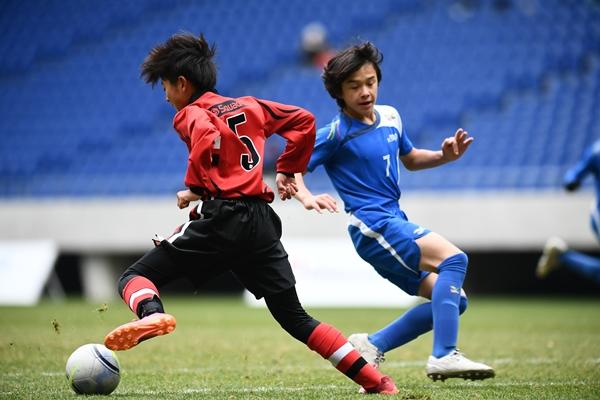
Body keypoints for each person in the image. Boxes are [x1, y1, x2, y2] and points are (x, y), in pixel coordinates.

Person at [102, 33, 398, 394]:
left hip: (222, 217)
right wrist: (287, 168)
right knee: (295, 317)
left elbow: (205, 134)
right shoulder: (250, 105)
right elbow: (304, 121)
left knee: (133, 276)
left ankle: (152, 314)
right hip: (260, 219)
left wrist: (195, 185)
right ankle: (377, 382)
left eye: (164, 86)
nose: (165, 96)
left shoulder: (189, 113)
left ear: (181, 83)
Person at [293, 42, 495, 381]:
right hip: (372, 226)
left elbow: (411, 159)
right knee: (454, 259)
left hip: (392, 221)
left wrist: (444, 156)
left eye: (370, 82)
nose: (365, 91)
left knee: (454, 300)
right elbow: (293, 168)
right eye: (354, 86)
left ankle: (371, 345)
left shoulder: (390, 116)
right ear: (338, 92)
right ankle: (444, 355)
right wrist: (305, 195)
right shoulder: (335, 133)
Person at [537, 140, 600, 285]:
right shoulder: (597, 152)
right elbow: (573, 175)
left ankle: (562, 255)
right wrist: (571, 182)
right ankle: (562, 256)